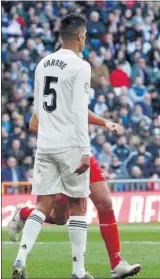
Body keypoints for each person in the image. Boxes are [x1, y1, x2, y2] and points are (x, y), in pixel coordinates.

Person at [8, 110, 142, 278]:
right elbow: (34, 124)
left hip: (81, 152)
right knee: (62, 217)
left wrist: (105, 122)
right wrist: (61, 135)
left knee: (105, 202)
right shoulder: (52, 87)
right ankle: (24, 213)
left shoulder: (65, 87)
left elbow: (79, 109)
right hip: (64, 154)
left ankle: (116, 263)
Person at [11, 13, 93, 279]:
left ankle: (20, 258)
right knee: (78, 205)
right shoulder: (81, 66)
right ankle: (78, 272)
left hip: (45, 144)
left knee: (42, 205)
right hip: (70, 144)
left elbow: (36, 116)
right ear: (80, 36)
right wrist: (85, 151)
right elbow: (80, 111)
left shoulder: (43, 64)